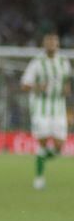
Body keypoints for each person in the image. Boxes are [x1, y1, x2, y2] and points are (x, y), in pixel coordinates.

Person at [20, 30, 68, 190]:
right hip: (40, 109)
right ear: (44, 44)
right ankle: (39, 178)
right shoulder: (36, 63)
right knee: (42, 143)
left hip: (59, 109)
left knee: (59, 146)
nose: (51, 44)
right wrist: (38, 87)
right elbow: (24, 85)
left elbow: (66, 83)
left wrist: (66, 90)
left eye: (54, 41)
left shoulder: (64, 62)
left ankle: (40, 159)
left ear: (58, 43)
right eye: (48, 41)